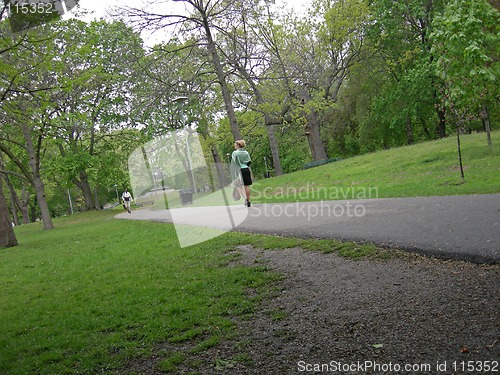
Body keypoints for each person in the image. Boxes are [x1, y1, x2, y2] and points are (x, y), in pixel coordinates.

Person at [230, 140, 252, 207]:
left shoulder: (235, 153)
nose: (234, 146)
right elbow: (249, 162)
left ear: (238, 145)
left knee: (238, 185)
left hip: (240, 170)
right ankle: (248, 200)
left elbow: (233, 163)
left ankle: (245, 199)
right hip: (246, 169)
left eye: (235, 145)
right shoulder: (246, 152)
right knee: (246, 185)